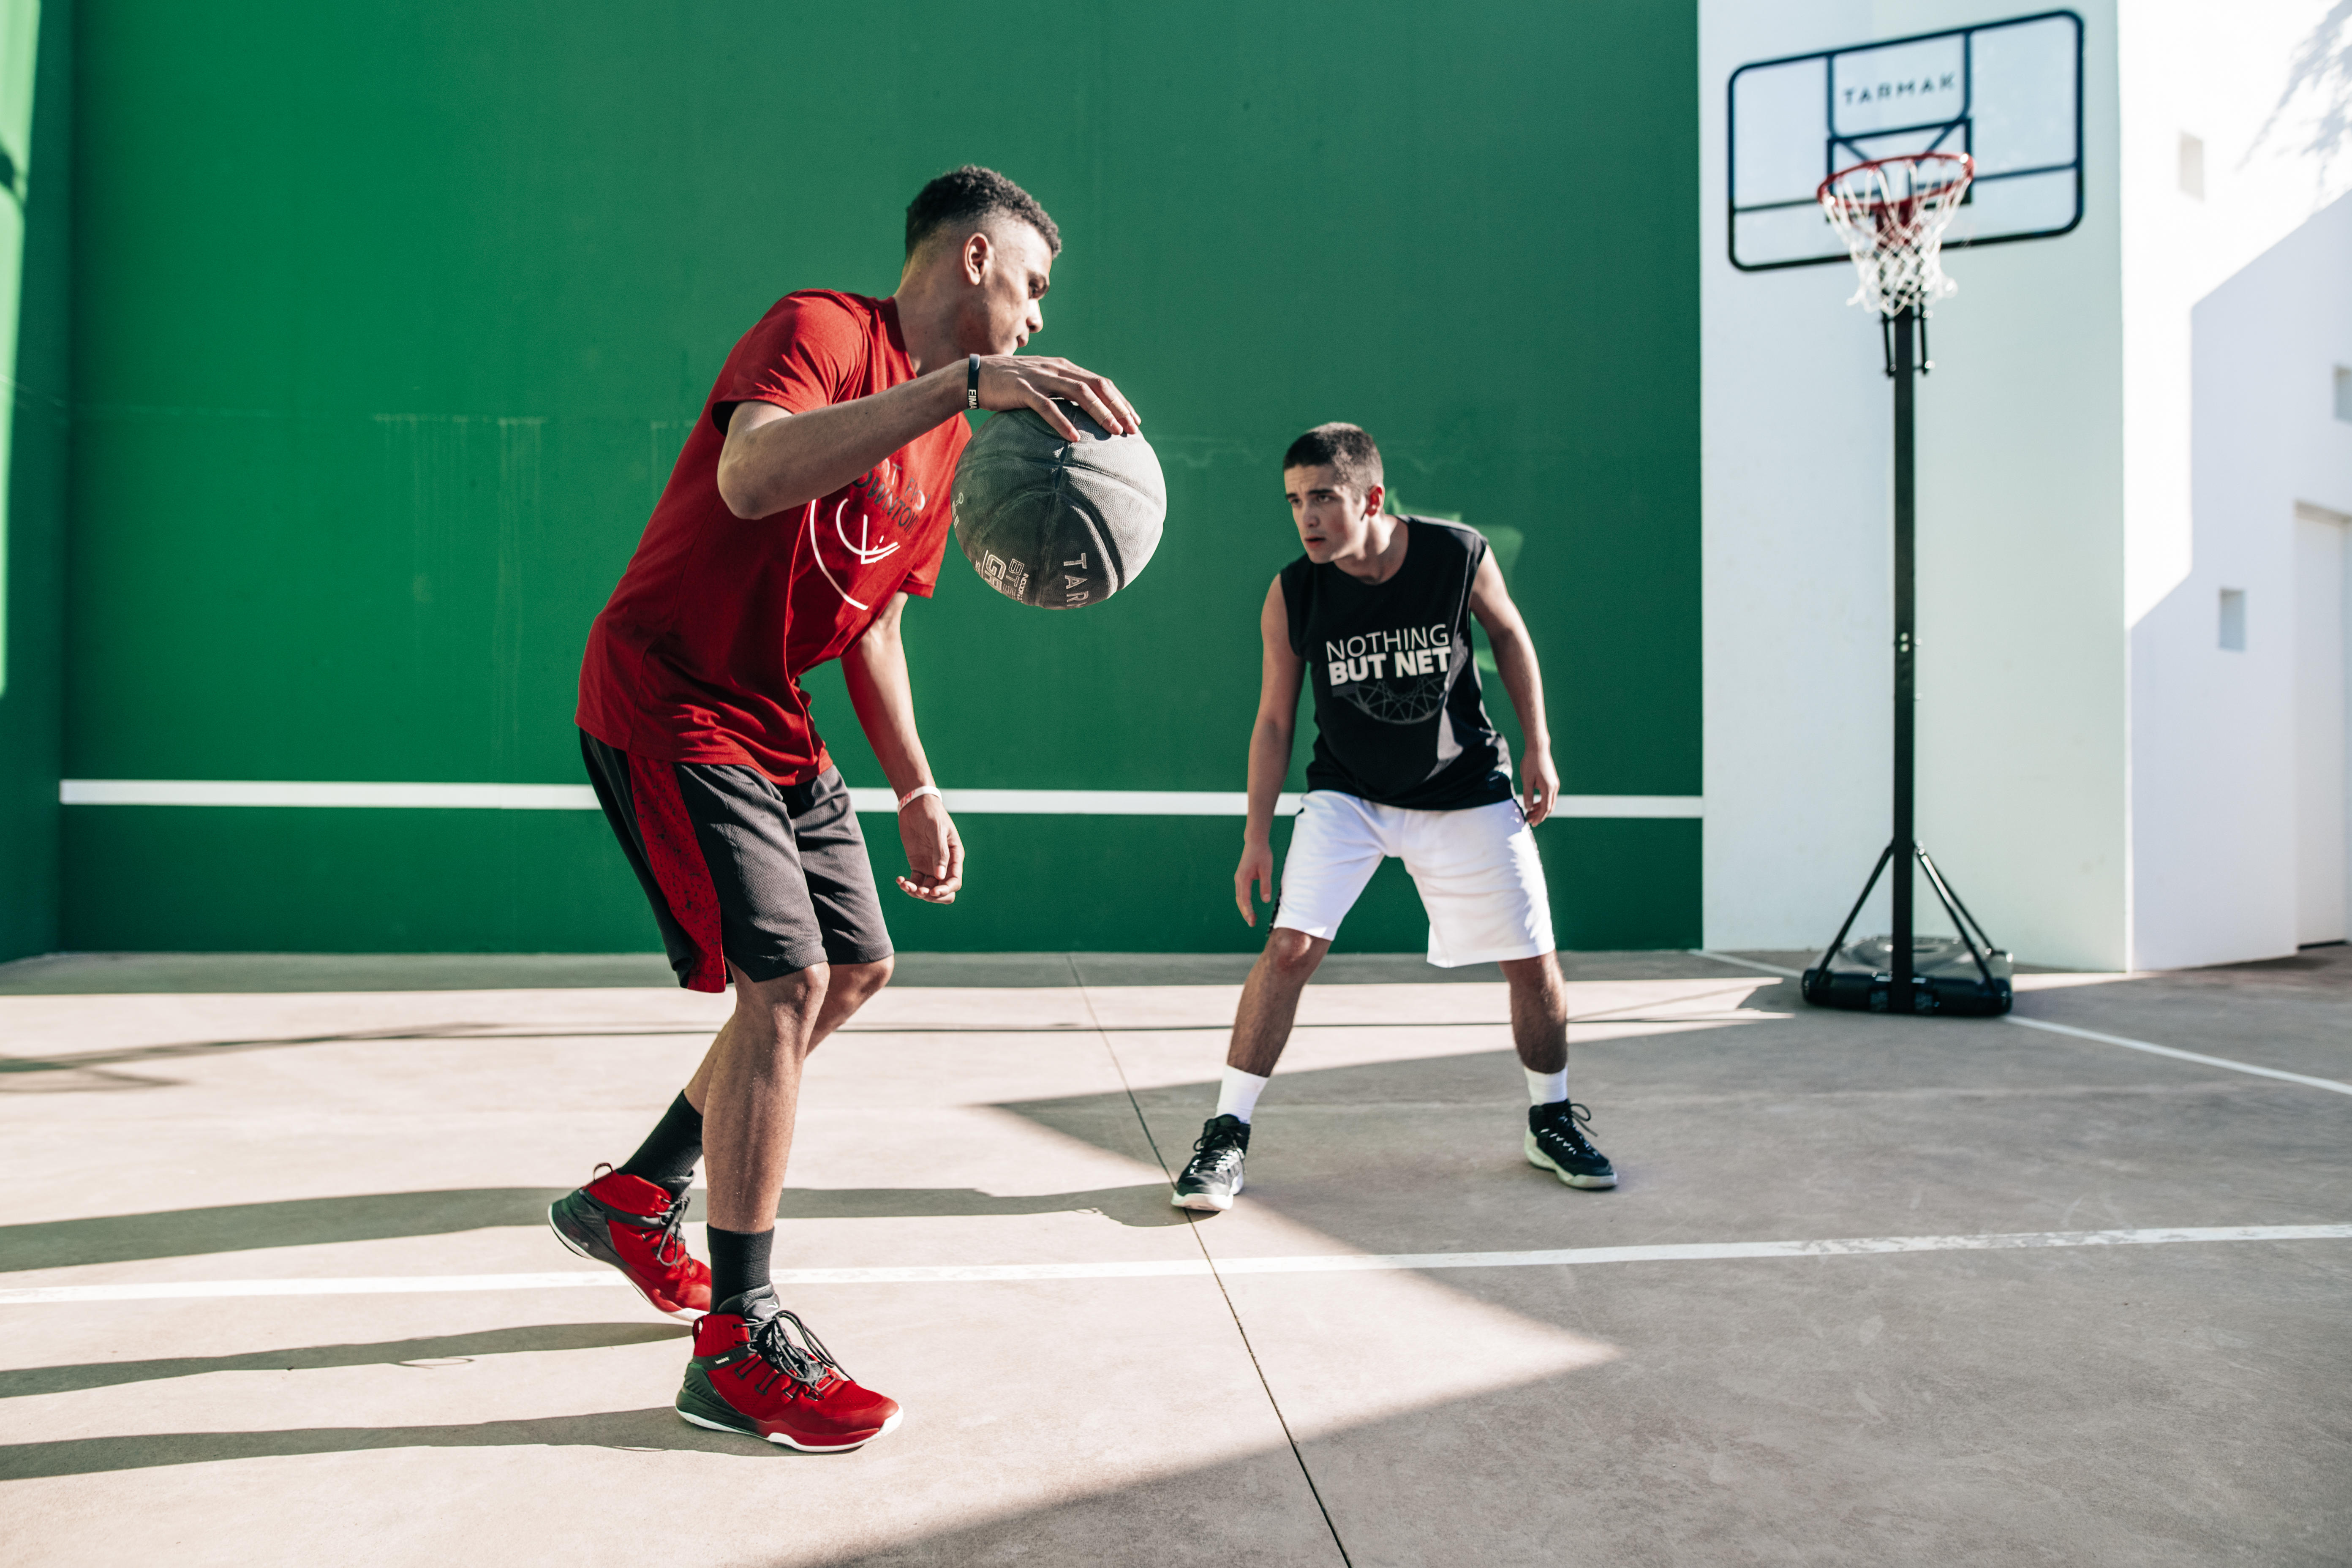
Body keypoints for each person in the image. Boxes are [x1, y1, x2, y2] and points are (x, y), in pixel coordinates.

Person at [552, 166, 1139, 1451]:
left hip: (773, 713)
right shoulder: (822, 331)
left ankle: (640, 1193)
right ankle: (739, 1341)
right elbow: (753, 478)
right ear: (974, 257)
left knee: (858, 967)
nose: (1038, 321)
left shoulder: (950, 434)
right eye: (1034, 288)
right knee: (785, 986)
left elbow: (870, 622)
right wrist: (961, 386)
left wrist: (917, 785)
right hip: (671, 692)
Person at [1171, 423, 1613, 1213]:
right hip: (1348, 796)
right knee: (1291, 948)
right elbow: (1274, 722)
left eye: (1323, 499)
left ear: (1371, 497)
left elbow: (1510, 635)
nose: (1306, 517)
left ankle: (1551, 1119)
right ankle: (1225, 1136)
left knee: (1532, 957)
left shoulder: (1456, 555)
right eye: (1294, 501)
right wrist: (1255, 835)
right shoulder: (1293, 593)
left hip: (1468, 787)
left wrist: (1540, 749)